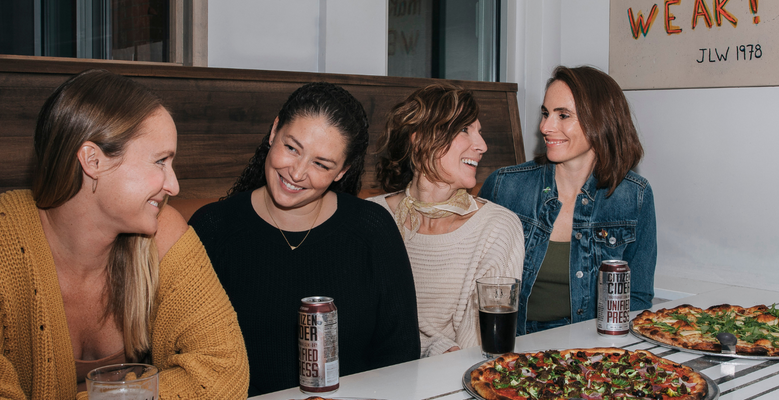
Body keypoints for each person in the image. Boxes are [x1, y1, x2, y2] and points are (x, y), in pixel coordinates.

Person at [0, 69, 249, 400]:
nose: (173, 185)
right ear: (93, 161)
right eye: (160, 161)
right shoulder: (6, 242)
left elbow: (224, 371)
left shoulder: (164, 232)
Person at [188, 82, 420, 396]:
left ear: (342, 171)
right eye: (292, 148)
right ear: (273, 132)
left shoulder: (372, 229)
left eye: (321, 164)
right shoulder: (213, 228)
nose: (297, 173)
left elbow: (401, 354)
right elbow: (187, 356)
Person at [479, 65, 657, 334]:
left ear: (601, 121)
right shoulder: (504, 186)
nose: (545, 127)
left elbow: (637, 299)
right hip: (511, 344)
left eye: (563, 115)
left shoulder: (635, 195)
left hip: (590, 349)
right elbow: (471, 284)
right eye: (545, 113)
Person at [368, 84, 524, 357]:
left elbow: (478, 348)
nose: (482, 146)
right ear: (419, 139)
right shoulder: (371, 219)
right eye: (465, 129)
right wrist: (433, 347)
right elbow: (362, 325)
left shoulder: (497, 227)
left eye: (480, 132)